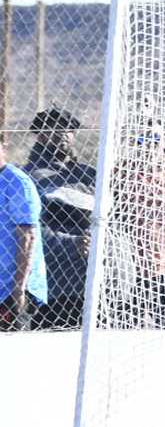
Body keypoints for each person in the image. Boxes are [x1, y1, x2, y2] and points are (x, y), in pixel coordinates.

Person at [109, 122, 165, 328]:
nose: (149, 146)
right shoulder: (121, 172)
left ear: (164, 143)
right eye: (143, 140)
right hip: (129, 271)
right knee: (123, 332)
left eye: (155, 140)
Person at [24, 109, 95, 330]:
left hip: (94, 283)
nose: (63, 132)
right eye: (54, 127)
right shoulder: (30, 177)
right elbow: (29, 231)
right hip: (53, 287)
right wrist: (72, 242)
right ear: (40, 134)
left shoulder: (90, 175)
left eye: (69, 128)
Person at [0, 135, 48, 332]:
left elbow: (28, 236)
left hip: (12, 289)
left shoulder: (17, 182)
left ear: (4, 144)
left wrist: (19, 288)